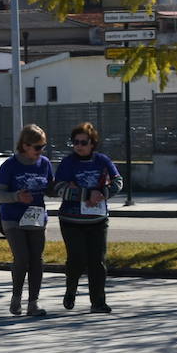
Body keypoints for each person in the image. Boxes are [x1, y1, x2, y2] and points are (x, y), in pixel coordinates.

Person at [52, 122, 124, 313]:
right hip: (71, 220)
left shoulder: (102, 161)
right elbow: (58, 188)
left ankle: (98, 301)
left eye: (83, 142)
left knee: (97, 261)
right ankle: (70, 290)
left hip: (97, 220)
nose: (79, 146)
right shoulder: (68, 163)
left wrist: (102, 193)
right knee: (76, 259)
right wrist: (86, 195)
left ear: (92, 143)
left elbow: (118, 181)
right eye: (76, 142)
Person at [0, 124, 54, 316]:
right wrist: (17, 196)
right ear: (25, 145)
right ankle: (16, 298)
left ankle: (33, 303)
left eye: (43, 146)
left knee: (36, 259)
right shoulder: (10, 165)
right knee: (22, 258)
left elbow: (50, 187)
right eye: (37, 147)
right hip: (13, 218)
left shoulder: (44, 163)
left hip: (36, 217)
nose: (40, 151)